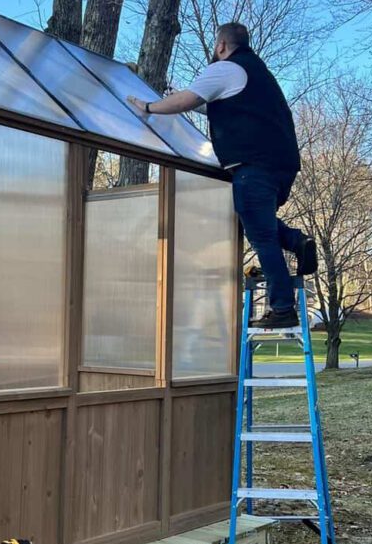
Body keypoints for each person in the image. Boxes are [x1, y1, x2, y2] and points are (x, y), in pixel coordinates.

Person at [127, 22, 316, 328]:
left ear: (221, 46)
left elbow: (188, 99)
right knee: (258, 219)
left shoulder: (226, 67)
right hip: (281, 166)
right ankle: (297, 241)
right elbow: (218, 104)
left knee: (261, 235)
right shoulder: (257, 74)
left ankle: (282, 308)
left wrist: (149, 106)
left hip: (254, 164)